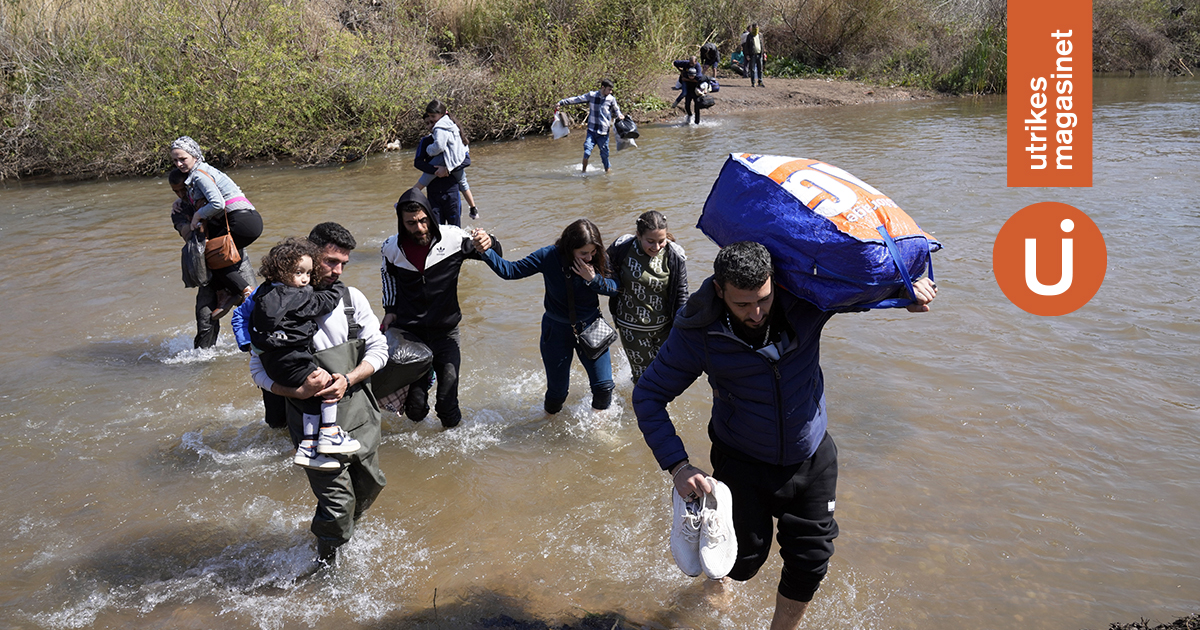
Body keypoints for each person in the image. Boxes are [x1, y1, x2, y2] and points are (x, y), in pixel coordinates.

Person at [633, 241, 937, 630]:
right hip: (741, 459)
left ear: (774, 282)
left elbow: (857, 289)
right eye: (742, 305)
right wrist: (677, 465)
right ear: (720, 291)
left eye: (762, 299)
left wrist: (904, 292)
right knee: (742, 562)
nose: (756, 313)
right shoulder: (699, 332)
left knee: (811, 560)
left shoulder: (805, 301)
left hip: (810, 454)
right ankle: (718, 576)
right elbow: (648, 395)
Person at [249, 222, 388, 567]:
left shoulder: (351, 299)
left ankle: (340, 540)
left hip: (360, 416)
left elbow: (380, 348)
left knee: (370, 488)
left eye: (343, 264)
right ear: (310, 255)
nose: (336, 271)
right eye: (330, 262)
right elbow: (257, 369)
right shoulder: (275, 302)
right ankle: (327, 566)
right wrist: (295, 389)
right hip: (311, 426)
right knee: (338, 505)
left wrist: (349, 378)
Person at [380, 188, 500, 428]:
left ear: (430, 217)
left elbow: (494, 254)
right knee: (414, 411)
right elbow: (388, 278)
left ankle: (455, 454)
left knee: (447, 405)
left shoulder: (453, 238)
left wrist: (490, 242)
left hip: (446, 332)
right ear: (401, 223)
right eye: (411, 223)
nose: (420, 228)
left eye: (423, 220)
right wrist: (390, 308)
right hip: (410, 335)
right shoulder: (391, 248)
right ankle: (426, 375)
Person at [479, 219, 619, 413]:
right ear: (569, 248)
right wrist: (485, 251)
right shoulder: (548, 255)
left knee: (604, 388)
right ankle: (547, 423)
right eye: (583, 253)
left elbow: (615, 288)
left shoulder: (598, 256)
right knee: (557, 393)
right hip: (556, 331)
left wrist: (593, 279)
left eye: (592, 252)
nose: (589, 257)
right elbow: (510, 271)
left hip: (592, 327)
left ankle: (598, 431)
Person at [249, 237, 362, 468]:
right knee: (326, 382)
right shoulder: (297, 296)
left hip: (272, 363)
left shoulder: (261, 294)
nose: (305, 279)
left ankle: (308, 447)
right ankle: (329, 434)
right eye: (299, 273)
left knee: (310, 397)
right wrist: (339, 287)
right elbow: (324, 302)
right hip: (292, 360)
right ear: (280, 271)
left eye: (308, 274)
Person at [168, 136, 264, 316]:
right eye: (175, 160)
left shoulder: (199, 175)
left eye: (183, 158)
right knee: (215, 258)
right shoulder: (200, 173)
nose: (179, 163)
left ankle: (243, 292)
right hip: (245, 219)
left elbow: (217, 203)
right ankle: (233, 293)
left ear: (194, 155)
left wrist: (197, 215)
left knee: (212, 257)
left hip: (241, 220)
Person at [168, 167, 254, 348]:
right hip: (207, 267)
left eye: (184, 189)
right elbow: (187, 233)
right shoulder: (180, 209)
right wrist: (197, 219)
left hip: (235, 258)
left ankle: (259, 349)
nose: (182, 194)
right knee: (205, 317)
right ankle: (204, 360)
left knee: (253, 307)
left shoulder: (212, 197)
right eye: (176, 192)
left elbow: (232, 203)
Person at [606, 211, 689, 384]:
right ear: (638, 235)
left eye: (661, 241)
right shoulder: (623, 247)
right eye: (650, 241)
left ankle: (656, 406)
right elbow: (604, 266)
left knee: (666, 373)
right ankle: (642, 408)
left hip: (664, 328)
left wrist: (682, 326)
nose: (656, 247)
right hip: (631, 328)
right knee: (643, 379)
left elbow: (681, 292)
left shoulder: (674, 255)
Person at [413, 100, 480, 222]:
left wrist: (447, 170)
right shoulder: (425, 141)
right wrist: (435, 170)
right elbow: (418, 162)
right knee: (438, 230)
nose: (431, 125)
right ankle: (407, 200)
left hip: (452, 192)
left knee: (455, 230)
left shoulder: (452, 136)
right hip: (433, 193)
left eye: (432, 121)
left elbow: (466, 160)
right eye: (427, 123)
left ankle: (473, 208)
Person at [556, 79, 627, 174]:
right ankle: (583, 173)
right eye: (609, 89)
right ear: (603, 87)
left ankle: (608, 173)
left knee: (604, 155)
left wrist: (620, 115)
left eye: (611, 90)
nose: (610, 92)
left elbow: (617, 110)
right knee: (587, 152)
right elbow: (577, 99)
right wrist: (561, 102)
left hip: (604, 132)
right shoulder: (592, 96)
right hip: (592, 131)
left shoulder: (611, 99)